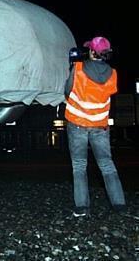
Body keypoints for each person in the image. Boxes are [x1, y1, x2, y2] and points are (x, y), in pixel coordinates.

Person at [64, 36, 126, 217]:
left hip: (77, 124)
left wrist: (72, 69)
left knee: (79, 166)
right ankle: (119, 205)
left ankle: (82, 208)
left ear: (92, 52)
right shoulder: (113, 74)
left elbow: (67, 91)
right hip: (100, 126)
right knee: (107, 165)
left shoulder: (78, 68)